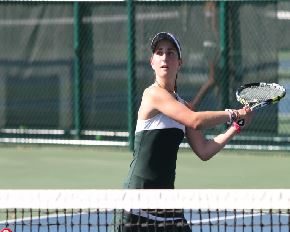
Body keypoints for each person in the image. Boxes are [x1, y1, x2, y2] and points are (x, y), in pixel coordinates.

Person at [114, 32, 252, 232]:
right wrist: (233, 113)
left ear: (180, 63)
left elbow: (204, 150)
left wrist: (236, 127)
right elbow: (194, 121)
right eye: (159, 52)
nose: (164, 57)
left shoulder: (182, 105)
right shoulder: (152, 94)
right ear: (152, 62)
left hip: (167, 207)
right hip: (136, 205)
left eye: (170, 53)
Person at [190, 2, 220, 111]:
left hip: (208, 43)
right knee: (213, 79)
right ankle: (193, 105)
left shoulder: (208, 5)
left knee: (219, 80)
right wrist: (221, 43)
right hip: (213, 45)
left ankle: (222, 111)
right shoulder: (214, 6)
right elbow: (214, 26)